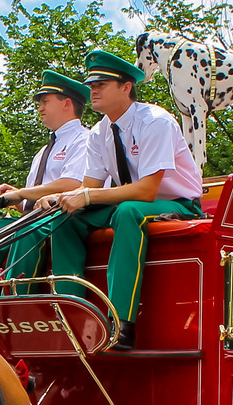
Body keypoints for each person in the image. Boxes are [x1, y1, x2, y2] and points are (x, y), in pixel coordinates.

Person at [26, 48, 204, 351]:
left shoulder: (156, 121)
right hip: (128, 201)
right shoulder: (98, 133)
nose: (93, 92)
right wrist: (59, 198)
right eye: (92, 86)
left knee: (128, 212)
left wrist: (84, 195)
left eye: (101, 86)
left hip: (177, 205)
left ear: (126, 87)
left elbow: (147, 191)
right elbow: (90, 188)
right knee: (64, 216)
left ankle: (121, 323)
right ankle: (73, 316)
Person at [0, 70, 93, 292]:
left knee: (27, 230)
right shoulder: (43, 151)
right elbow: (31, 203)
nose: (39, 108)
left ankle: (13, 304)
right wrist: (15, 199)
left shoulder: (84, 139)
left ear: (66, 103)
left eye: (45, 101)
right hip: (33, 219)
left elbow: (72, 184)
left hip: (61, 220)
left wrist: (21, 193)